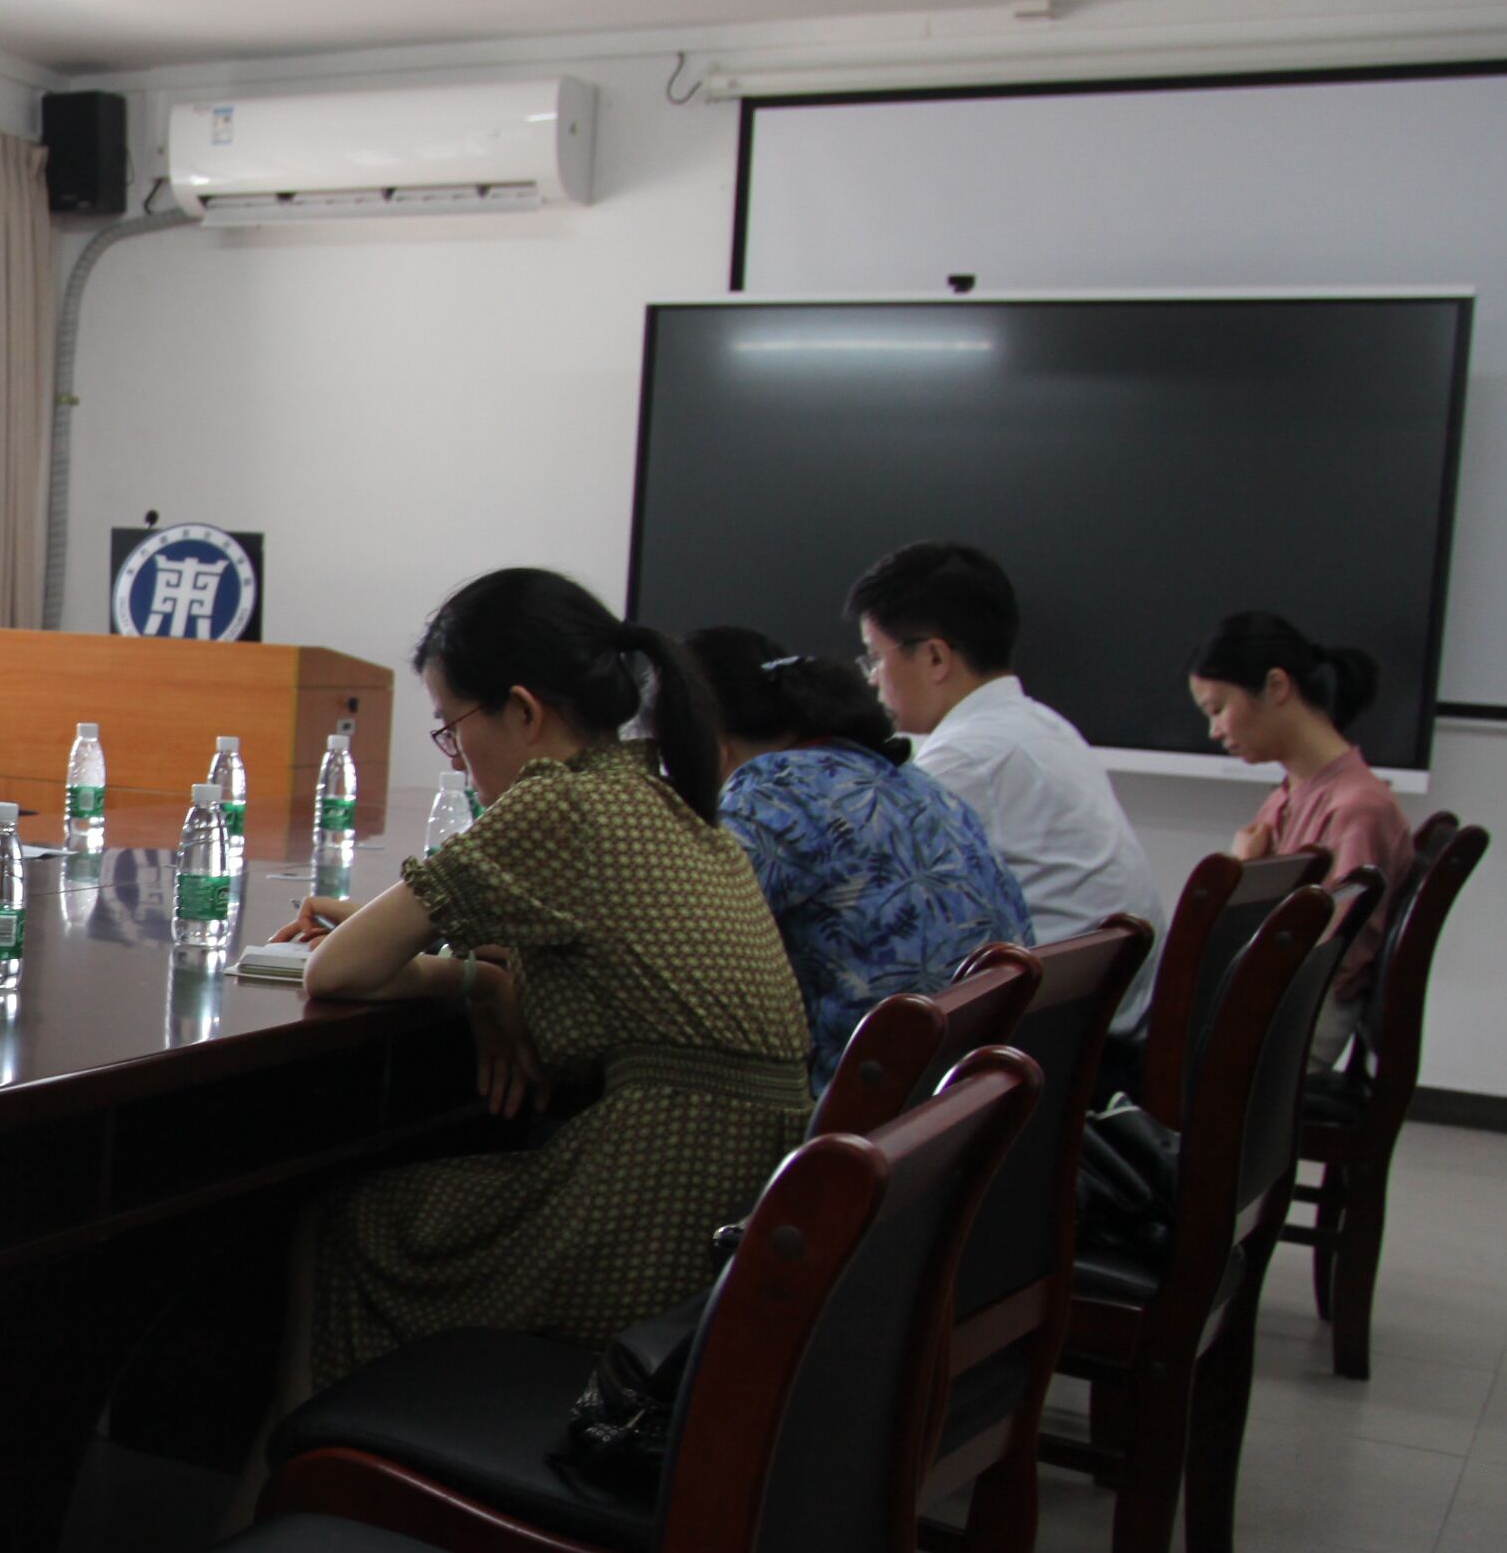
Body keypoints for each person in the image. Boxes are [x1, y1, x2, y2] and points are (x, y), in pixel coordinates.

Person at [266, 569, 809, 1382]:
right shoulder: (650, 794)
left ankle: (310, 1454)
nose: (456, 757)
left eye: (451, 728)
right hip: (736, 1203)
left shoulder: (557, 803)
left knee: (353, 1220)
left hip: (655, 1209)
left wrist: (472, 983)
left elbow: (336, 972)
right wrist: (469, 963)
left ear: (522, 711)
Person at [687, 626, 1031, 1091]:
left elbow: (680, 952)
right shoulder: (906, 777)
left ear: (711, 746)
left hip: (872, 1100)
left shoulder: (773, 789)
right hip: (967, 1095)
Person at [847, 539, 1158, 1029]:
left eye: (874, 657)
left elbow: (869, 903)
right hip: (1101, 1021)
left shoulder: (965, 757)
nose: (871, 679)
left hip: (1050, 1039)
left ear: (935, 658)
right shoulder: (1042, 726)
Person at [1190, 609, 1413, 1066]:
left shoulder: (1356, 808)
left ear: (1276, 686)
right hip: (1278, 1006)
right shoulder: (1289, 795)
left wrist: (1241, 875)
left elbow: (1322, 954)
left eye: (1218, 709)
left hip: (1298, 1019)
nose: (1214, 731)